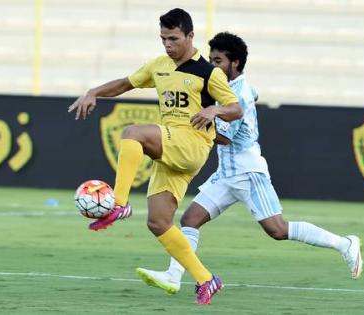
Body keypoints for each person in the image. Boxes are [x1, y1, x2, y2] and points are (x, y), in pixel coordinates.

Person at [135, 32, 363, 295]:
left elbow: (223, 137)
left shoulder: (238, 94)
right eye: (210, 60)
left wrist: (186, 130)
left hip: (247, 172)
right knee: (190, 219)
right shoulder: (228, 88)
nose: (212, 66)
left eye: (218, 61)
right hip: (226, 174)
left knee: (277, 230)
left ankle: (345, 244)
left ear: (236, 63)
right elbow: (242, 98)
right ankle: (174, 275)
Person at [67, 8, 241, 305]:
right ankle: (205, 279)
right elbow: (125, 83)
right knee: (159, 222)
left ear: (190, 36)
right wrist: (93, 91)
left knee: (133, 132)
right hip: (172, 150)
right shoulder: (159, 65)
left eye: (173, 38)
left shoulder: (208, 73)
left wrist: (214, 109)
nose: (168, 45)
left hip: (192, 143)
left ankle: (119, 204)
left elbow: (236, 108)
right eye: (163, 39)